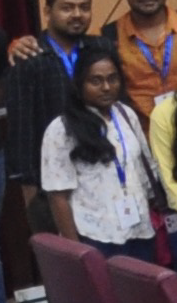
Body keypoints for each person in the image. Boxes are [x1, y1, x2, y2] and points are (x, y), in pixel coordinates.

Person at [38, 43, 170, 263]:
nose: (107, 87)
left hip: (140, 230)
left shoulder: (126, 114)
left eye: (113, 78)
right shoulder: (62, 129)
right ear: (79, 84)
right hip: (95, 236)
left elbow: (144, 167)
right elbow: (57, 196)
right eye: (96, 81)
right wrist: (77, 253)